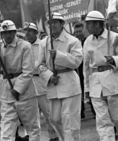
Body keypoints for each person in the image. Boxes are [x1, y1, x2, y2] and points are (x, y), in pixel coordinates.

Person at [83, 10, 118, 141]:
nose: (86, 27)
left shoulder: (115, 37)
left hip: (113, 81)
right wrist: (87, 88)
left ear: (97, 24)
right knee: (102, 121)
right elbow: (86, 67)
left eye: (88, 24)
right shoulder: (87, 41)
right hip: (96, 84)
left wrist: (114, 59)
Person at [0, 20, 40, 141]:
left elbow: (28, 71)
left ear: (14, 32)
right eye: (5, 33)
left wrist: (18, 89)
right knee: (7, 130)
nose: (7, 35)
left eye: (10, 32)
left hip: (25, 92)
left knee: (32, 127)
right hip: (6, 91)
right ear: (1, 34)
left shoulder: (25, 46)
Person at [38, 12, 82, 141]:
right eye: (50, 23)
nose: (52, 25)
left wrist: (58, 55)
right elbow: (40, 65)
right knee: (55, 119)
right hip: (53, 85)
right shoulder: (43, 43)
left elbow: (76, 61)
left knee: (70, 121)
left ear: (62, 24)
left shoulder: (73, 40)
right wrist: (49, 76)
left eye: (55, 22)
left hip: (69, 83)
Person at [24, 22, 59, 141]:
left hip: (41, 80)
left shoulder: (43, 44)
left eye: (30, 31)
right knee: (32, 116)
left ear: (36, 32)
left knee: (49, 113)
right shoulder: (24, 46)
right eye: (26, 31)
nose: (27, 33)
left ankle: (54, 136)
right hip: (29, 82)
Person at [73, 22, 96, 119]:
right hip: (77, 71)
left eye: (80, 31)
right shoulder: (73, 43)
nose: (78, 33)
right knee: (79, 91)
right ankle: (81, 111)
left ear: (83, 31)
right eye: (76, 32)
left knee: (90, 90)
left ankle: (94, 110)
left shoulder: (88, 41)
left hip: (87, 70)